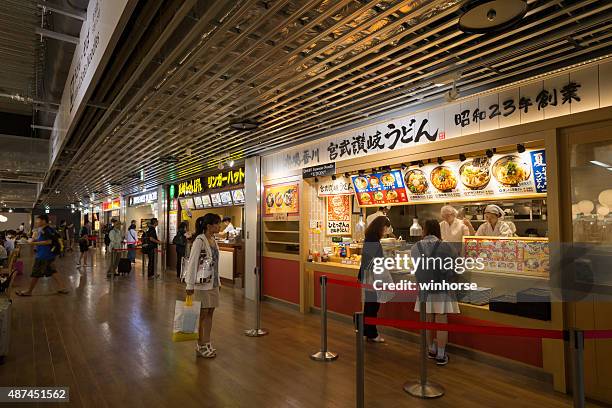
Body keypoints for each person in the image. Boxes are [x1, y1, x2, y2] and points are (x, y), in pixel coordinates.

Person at [412, 219, 460, 366]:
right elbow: (456, 265)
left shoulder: (415, 247)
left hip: (425, 289)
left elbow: (415, 267)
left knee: (427, 320)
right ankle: (441, 354)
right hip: (442, 289)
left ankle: (431, 349)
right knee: (441, 321)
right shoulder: (446, 246)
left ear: (424, 230)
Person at [185, 213, 222, 358]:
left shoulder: (213, 239)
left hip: (212, 283)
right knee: (202, 314)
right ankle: (200, 345)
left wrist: (218, 281)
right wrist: (189, 284)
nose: (219, 226)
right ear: (209, 226)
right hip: (201, 285)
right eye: (217, 224)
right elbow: (193, 262)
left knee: (210, 313)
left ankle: (207, 342)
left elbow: (215, 264)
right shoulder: (199, 240)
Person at [15, 214, 69, 297]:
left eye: (38, 220)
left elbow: (49, 241)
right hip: (48, 254)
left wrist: (34, 243)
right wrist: (34, 240)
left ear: (44, 221)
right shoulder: (47, 229)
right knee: (53, 271)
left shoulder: (46, 230)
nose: (37, 222)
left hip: (44, 255)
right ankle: (62, 287)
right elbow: (44, 240)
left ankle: (29, 291)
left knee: (36, 273)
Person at [359, 215, 392, 343]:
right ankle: (372, 333)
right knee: (372, 307)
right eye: (385, 229)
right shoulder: (373, 240)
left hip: (368, 275)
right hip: (372, 277)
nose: (384, 232)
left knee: (369, 306)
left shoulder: (370, 238)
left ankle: (366, 331)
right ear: (381, 227)